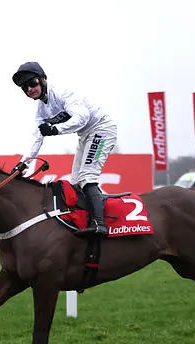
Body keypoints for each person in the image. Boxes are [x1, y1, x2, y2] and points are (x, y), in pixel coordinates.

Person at [11, 61, 117, 237]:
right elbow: (36, 138)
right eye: (24, 87)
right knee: (76, 183)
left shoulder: (63, 93)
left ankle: (100, 224)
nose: (29, 89)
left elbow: (82, 117)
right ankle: (88, 220)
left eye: (32, 82)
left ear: (43, 79)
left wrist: (55, 129)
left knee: (87, 177)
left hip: (102, 129)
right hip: (85, 135)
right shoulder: (41, 111)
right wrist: (23, 164)